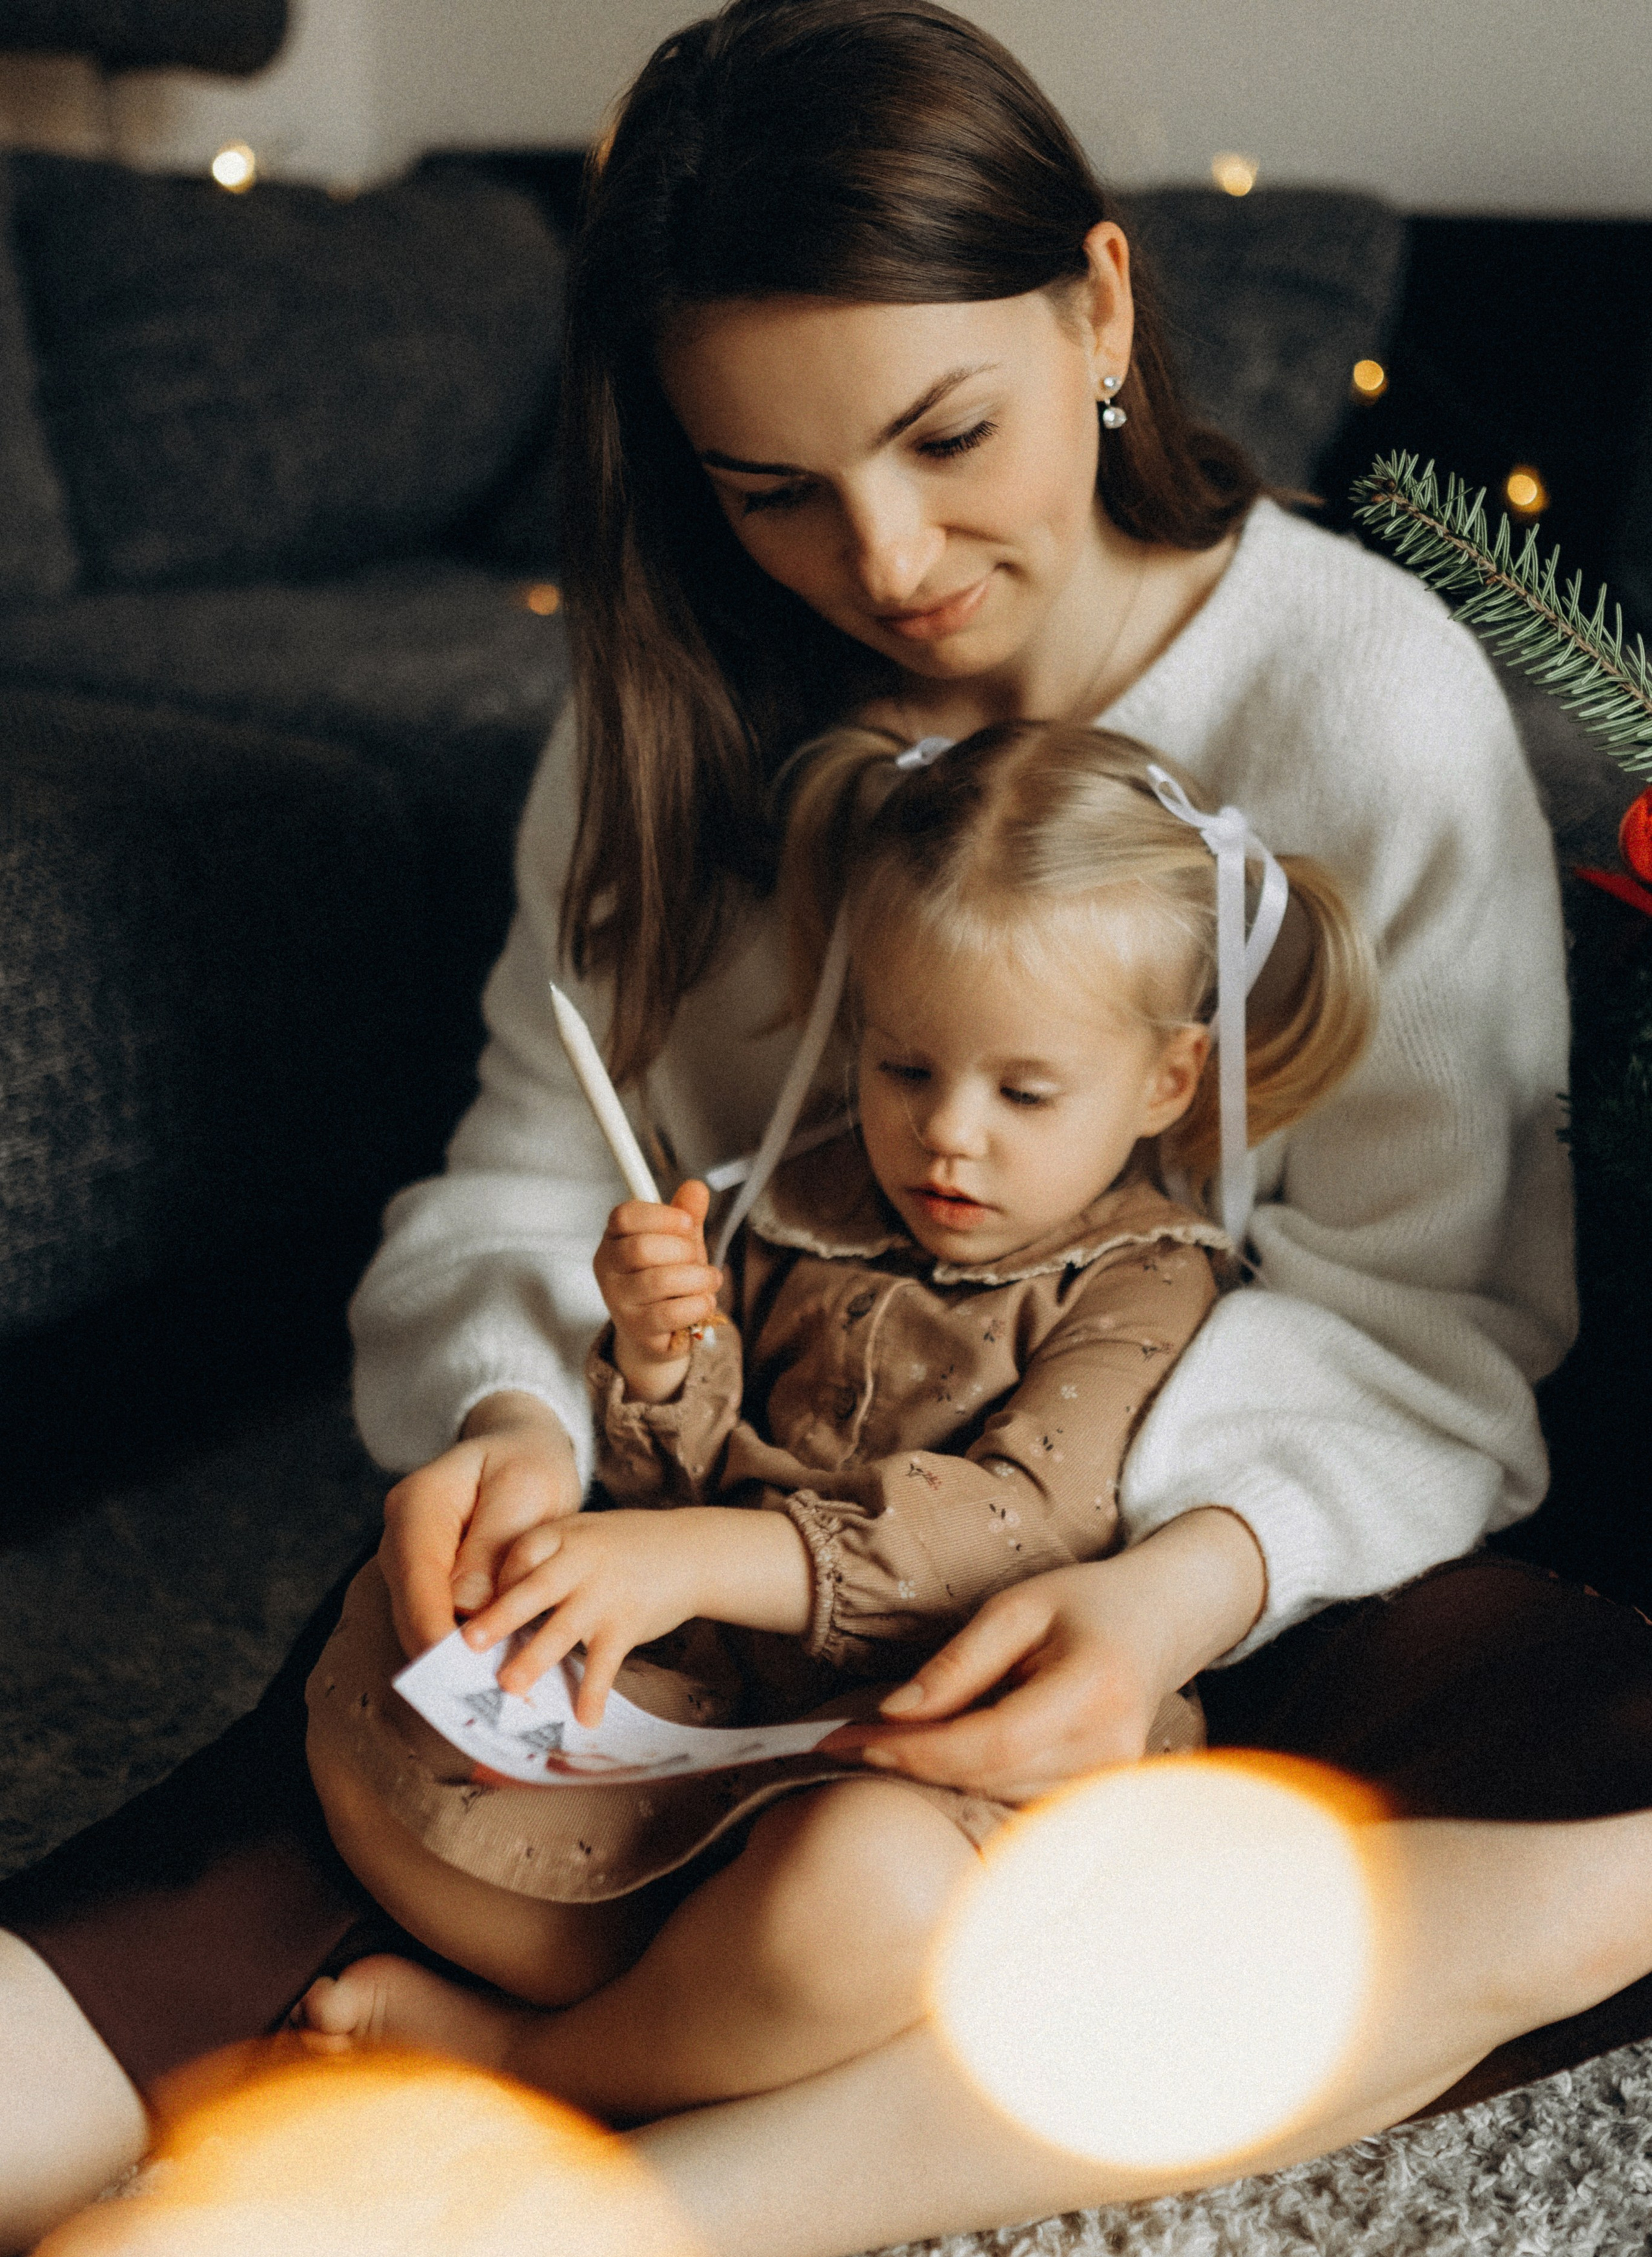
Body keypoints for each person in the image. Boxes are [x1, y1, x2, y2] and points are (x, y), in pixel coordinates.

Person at [5, 0, 1652, 2257]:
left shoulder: (1359, 698)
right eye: (768, 486)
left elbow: (1432, 1314)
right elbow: (531, 1166)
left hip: (1159, 1581)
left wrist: (1170, 1591)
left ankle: (509, 2196)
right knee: (214, 1906)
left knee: (1589, 1856)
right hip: (691, 1595)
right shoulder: (676, 699)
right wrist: (505, 1429)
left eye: (944, 436)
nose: (881, 562)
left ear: (1100, 310)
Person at [293, 718, 1375, 2081]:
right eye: (902, 1066)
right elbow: (675, 1478)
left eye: (1023, 1090)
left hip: (927, 1754)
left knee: (855, 1894)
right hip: (719, 1703)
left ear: (1166, 1081)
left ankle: (541, 2062)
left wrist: (697, 1555)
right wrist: (660, 1359)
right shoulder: (802, 1193)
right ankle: (697, 2015)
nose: (946, 1134)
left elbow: (1016, 1522)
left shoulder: (1146, 1282)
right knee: (403, 1661)